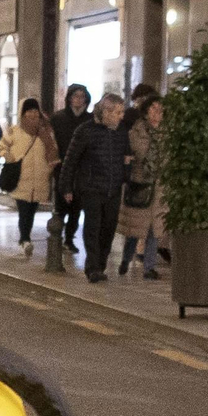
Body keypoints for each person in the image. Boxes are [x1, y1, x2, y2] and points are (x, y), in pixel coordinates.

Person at [57, 93, 128, 283]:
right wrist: (66, 187)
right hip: (91, 188)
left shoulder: (121, 132)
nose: (122, 116)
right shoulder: (85, 130)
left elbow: (126, 157)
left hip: (113, 188)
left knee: (109, 228)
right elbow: (70, 161)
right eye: (118, 112)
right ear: (106, 111)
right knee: (93, 228)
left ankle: (101, 264)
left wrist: (126, 173)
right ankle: (93, 267)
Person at [0, 98, 60, 259]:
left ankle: (25, 239)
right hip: (21, 178)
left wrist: (50, 167)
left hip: (40, 178)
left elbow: (54, 149)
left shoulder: (46, 132)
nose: (32, 113)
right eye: (28, 110)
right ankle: (24, 240)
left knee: (31, 211)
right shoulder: (15, 131)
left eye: (35, 110)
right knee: (24, 211)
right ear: (22, 113)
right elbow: (0, 146)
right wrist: (8, 156)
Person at [117, 93, 166, 280]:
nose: (158, 112)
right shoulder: (137, 132)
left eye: (160, 108)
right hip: (141, 184)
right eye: (153, 108)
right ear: (145, 112)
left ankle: (149, 267)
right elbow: (139, 153)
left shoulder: (167, 133)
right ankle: (125, 259)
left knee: (154, 229)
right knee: (135, 230)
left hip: (159, 186)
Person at [49, 84, 92, 252]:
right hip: (62, 167)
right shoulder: (58, 118)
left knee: (77, 206)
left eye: (82, 96)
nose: (79, 100)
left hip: (82, 169)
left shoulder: (89, 120)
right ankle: (56, 237)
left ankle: (69, 238)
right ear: (69, 98)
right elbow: (52, 142)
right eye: (75, 96)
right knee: (61, 205)